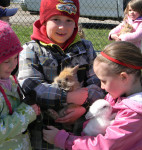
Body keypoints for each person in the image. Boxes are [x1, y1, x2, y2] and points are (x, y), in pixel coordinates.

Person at [17, 0, 105, 149]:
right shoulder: (30, 49)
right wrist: (67, 97)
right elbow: (30, 85)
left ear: (76, 23)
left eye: (69, 20)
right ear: (44, 20)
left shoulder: (85, 47)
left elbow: (98, 82)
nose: (62, 27)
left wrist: (83, 106)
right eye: (56, 19)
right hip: (45, 130)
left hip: (81, 129)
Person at [43, 41, 142, 150]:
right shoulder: (117, 96)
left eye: (104, 81)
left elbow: (104, 146)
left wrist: (63, 139)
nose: (102, 87)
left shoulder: (133, 114)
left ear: (123, 77)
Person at [0, 19, 41, 150]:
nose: (14, 65)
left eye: (15, 58)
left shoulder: (10, 80)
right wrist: (27, 113)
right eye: (7, 61)